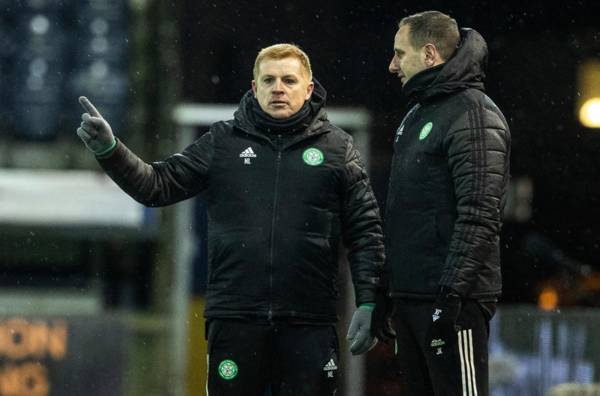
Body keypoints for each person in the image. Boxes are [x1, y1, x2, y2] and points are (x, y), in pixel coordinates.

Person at [75, 43, 384, 396]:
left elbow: (365, 230)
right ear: (254, 88)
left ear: (309, 89)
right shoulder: (223, 142)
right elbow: (155, 186)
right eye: (268, 80)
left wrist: (370, 300)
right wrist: (110, 151)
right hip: (235, 320)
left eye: (288, 80)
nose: (278, 88)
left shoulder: (338, 149)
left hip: (309, 322)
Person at [372, 11, 511, 396]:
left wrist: (449, 299)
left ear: (430, 54)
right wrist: (388, 290)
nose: (392, 65)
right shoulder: (417, 115)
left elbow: (480, 216)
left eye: (400, 54)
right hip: (413, 297)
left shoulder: (474, 114)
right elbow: (402, 215)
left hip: (454, 304)